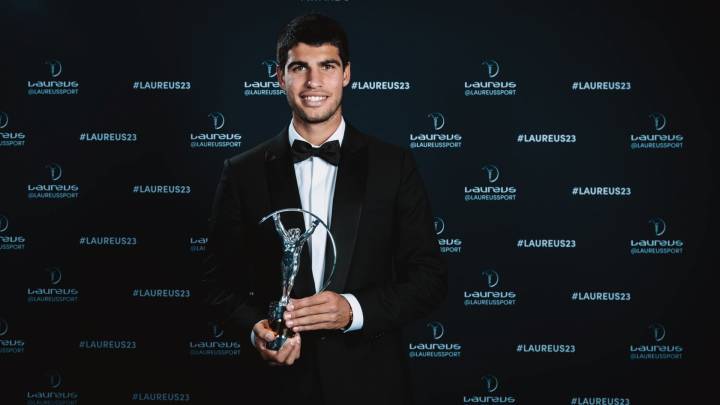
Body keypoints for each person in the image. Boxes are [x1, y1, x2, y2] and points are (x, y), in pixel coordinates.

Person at [203, 13, 447, 405]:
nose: (314, 83)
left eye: (327, 66)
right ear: (280, 77)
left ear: (346, 74)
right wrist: (255, 330)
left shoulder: (393, 165)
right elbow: (215, 283)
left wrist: (353, 311)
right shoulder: (242, 172)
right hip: (276, 388)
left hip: (371, 385)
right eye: (299, 67)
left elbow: (430, 277)